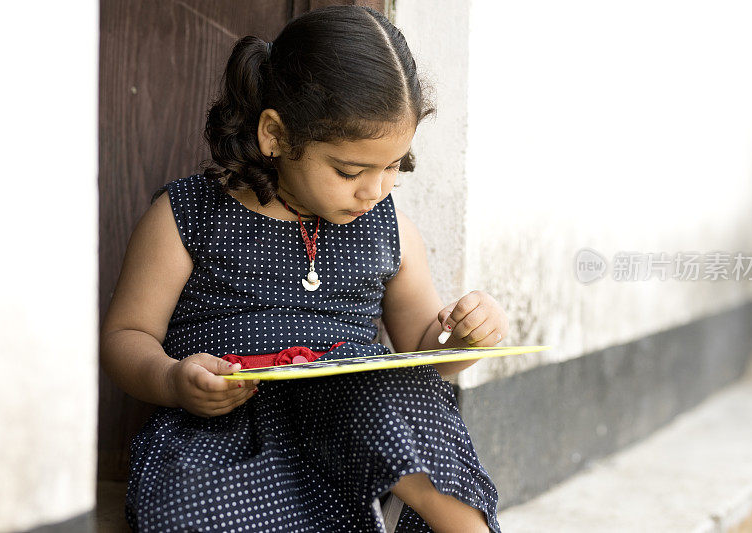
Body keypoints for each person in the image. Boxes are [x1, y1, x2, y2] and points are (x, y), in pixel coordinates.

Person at [99, 5, 509, 532]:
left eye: (395, 167)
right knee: (193, 504)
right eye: (350, 170)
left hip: (360, 426)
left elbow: (425, 357)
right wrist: (175, 381)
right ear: (276, 134)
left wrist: (463, 339)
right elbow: (125, 337)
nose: (375, 189)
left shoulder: (393, 229)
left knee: (398, 399)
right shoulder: (188, 215)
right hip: (230, 427)